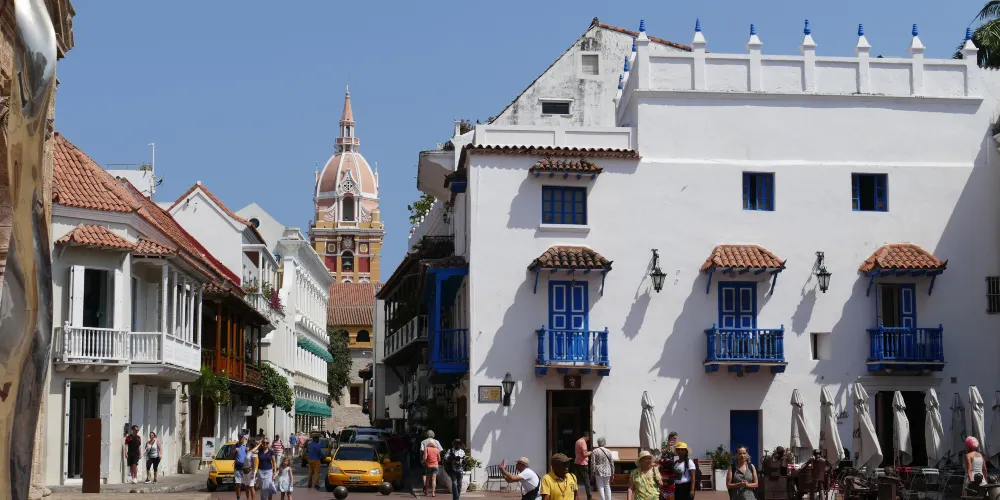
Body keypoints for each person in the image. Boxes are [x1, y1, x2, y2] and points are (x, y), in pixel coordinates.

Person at [573, 432, 593, 500]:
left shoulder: (577, 441)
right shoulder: (583, 442)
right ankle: (589, 496)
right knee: (586, 480)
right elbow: (584, 454)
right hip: (583, 463)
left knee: (575, 480)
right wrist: (590, 452)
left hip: (577, 462)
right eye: (588, 437)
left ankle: (574, 495)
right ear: (587, 436)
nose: (589, 439)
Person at [233, 434, 250, 500]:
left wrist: (248, 450)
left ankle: (248, 498)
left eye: (241, 437)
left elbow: (252, 454)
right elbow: (231, 457)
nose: (240, 439)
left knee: (247, 485)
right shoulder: (235, 445)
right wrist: (235, 451)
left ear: (244, 438)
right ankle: (238, 498)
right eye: (239, 437)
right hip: (237, 467)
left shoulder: (246, 445)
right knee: (238, 484)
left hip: (245, 468)